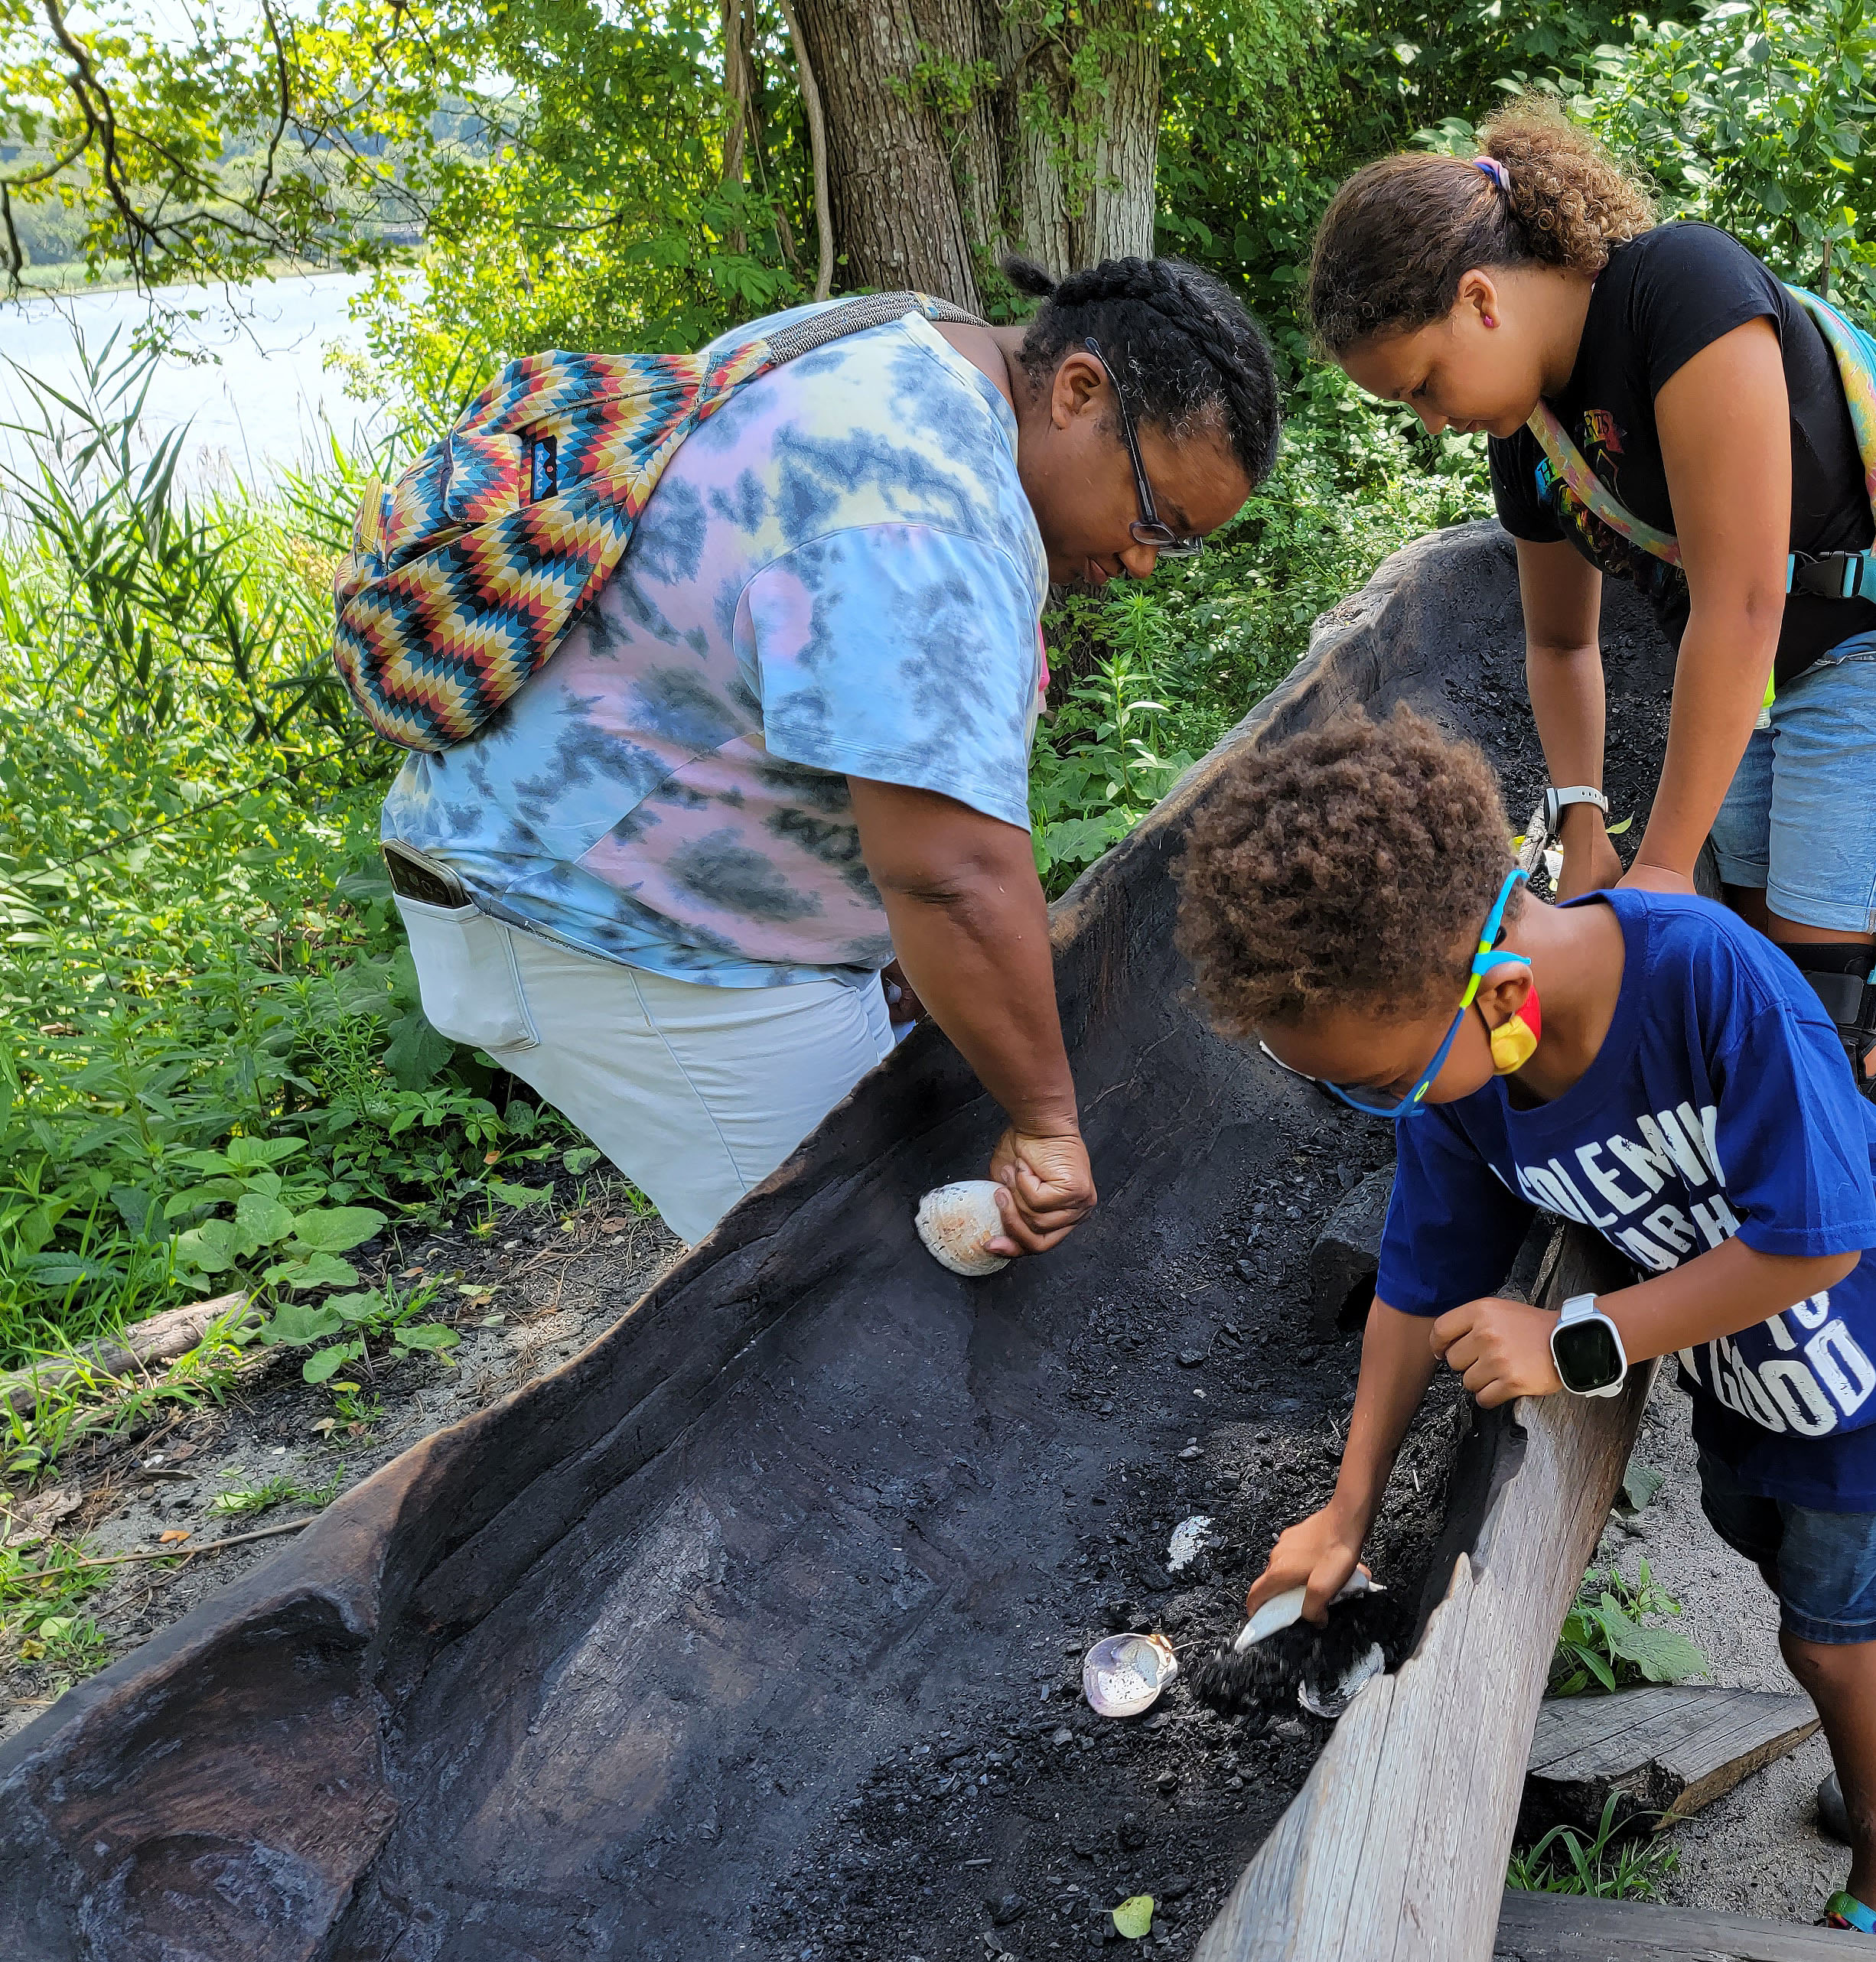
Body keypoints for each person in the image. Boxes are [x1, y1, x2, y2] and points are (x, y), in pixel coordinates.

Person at [1175, 709, 1876, 1940]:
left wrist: (1573, 1340)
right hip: (1754, 1373)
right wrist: (1347, 1505)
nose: (1377, 1110)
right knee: (1810, 1561)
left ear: (1500, 991)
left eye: (1378, 1082)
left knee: (1829, 1646)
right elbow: (1413, 1288)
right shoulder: (1465, 1090)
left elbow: (1819, 1238)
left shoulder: (1707, 977)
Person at [380, 255, 1282, 1248]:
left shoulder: (917, 338)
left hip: (632, 866)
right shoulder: (933, 512)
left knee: (919, 1200)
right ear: (1078, 392)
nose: (1144, 561)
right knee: (849, 1283)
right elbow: (948, 875)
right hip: (592, 915)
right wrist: (1049, 1122)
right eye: (1154, 520)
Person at [1305, 102, 1876, 1110]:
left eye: (1424, 382)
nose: (1433, 419)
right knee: (1755, 976)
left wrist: (1664, 867)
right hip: (1755, 681)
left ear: (1479, 300)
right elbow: (1559, 641)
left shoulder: (1679, 291)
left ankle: (1874, 1253)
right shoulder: (1526, 434)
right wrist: (1585, 818)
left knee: (1821, 1015)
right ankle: (1774, 1231)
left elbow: (1745, 596)